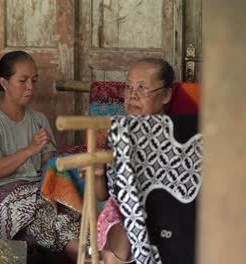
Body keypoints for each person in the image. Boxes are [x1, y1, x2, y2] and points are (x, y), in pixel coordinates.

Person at [0, 50, 80, 260]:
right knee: (52, 219)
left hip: (34, 189)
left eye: (34, 80)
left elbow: (49, 165)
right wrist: (30, 149)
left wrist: (66, 162)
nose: (30, 87)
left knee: (73, 211)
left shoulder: (38, 119)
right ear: (4, 83)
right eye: (23, 81)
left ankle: (94, 256)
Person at [95, 58, 174, 263]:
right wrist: (98, 174)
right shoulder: (118, 133)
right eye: (129, 87)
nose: (132, 95)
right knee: (114, 252)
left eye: (142, 88)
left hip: (166, 212)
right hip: (124, 211)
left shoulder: (177, 136)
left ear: (166, 95)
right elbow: (103, 194)